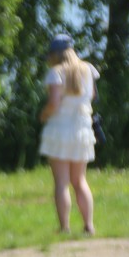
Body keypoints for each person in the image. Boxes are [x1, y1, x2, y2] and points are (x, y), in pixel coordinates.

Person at [37, 33, 100, 235]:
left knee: (61, 182)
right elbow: (93, 96)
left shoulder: (56, 73)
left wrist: (43, 115)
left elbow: (54, 103)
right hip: (83, 130)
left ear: (54, 54)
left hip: (59, 130)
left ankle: (64, 227)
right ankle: (88, 225)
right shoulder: (88, 69)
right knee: (80, 181)